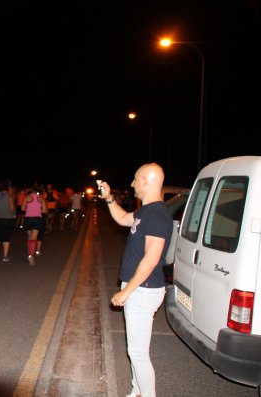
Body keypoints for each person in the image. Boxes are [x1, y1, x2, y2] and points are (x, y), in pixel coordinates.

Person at [98, 163, 173, 397]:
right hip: (139, 289)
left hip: (143, 290)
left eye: (134, 179)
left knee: (139, 354)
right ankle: (137, 391)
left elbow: (151, 259)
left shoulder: (158, 215)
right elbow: (121, 218)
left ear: (145, 181)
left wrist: (126, 291)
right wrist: (109, 198)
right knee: (136, 350)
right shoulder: (145, 212)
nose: (131, 184)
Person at [22, 183, 47, 266]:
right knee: (34, 238)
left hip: (28, 219)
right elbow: (44, 211)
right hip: (37, 219)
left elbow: (22, 208)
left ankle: (29, 251)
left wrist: (29, 209)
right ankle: (31, 255)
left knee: (29, 237)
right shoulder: (41, 198)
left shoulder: (27, 197)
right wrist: (38, 209)